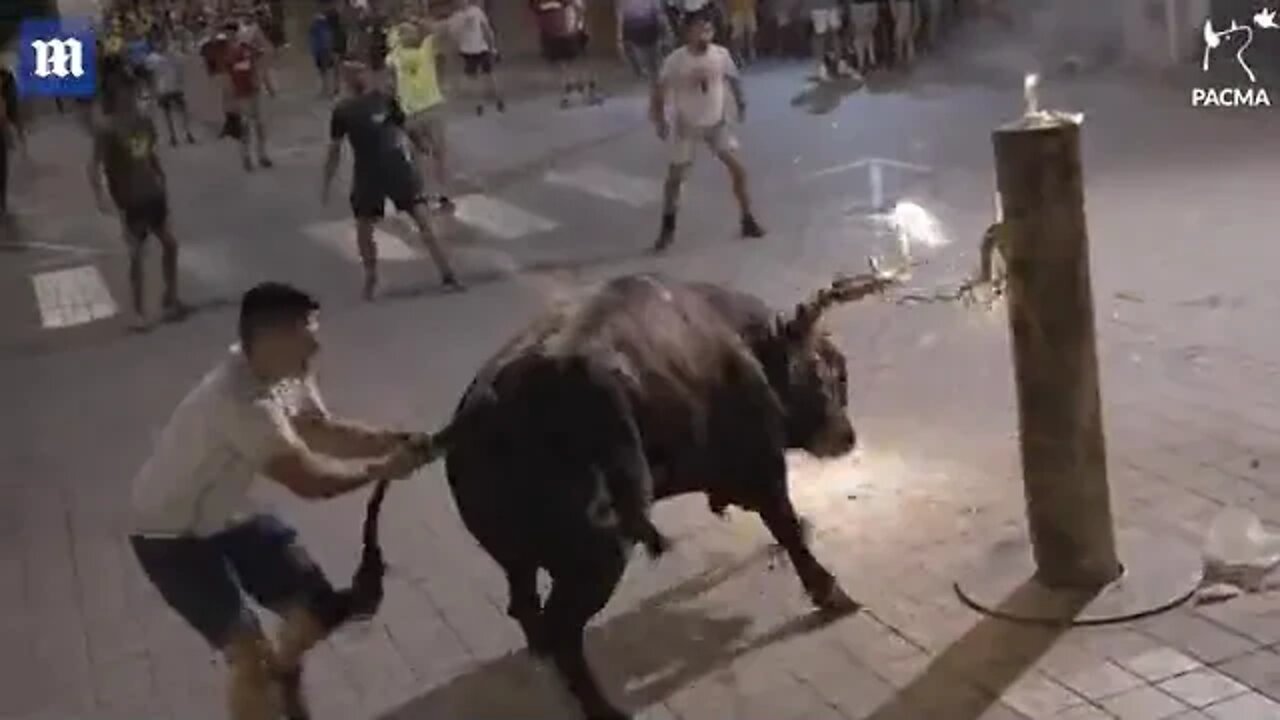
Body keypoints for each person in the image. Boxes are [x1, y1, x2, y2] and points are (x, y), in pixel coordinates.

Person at [128, 281, 435, 720]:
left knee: (316, 608)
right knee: (248, 654)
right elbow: (309, 481)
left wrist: (395, 442)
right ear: (272, 338)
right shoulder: (237, 401)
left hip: (230, 514)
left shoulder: (288, 373)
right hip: (170, 536)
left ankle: (283, 678)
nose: (318, 342)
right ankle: (264, 683)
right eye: (306, 331)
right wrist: (382, 470)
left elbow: (321, 433)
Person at [323, 61, 463, 300]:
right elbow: (334, 149)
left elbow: (405, 126)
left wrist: (422, 145)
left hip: (396, 168)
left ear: (367, 74)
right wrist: (327, 180)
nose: (357, 77)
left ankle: (447, 273)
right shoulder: (342, 111)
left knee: (422, 219)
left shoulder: (385, 99)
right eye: (351, 74)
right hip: (367, 174)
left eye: (360, 72)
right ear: (345, 80)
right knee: (364, 228)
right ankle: (371, 277)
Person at [650, 11, 763, 252]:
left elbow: (734, 79)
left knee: (739, 171)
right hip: (686, 126)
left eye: (708, 29)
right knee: (675, 179)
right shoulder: (676, 60)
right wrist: (659, 119)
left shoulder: (720, 55)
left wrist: (741, 103)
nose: (704, 34)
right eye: (699, 29)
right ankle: (667, 229)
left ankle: (747, 220)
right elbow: (659, 90)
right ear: (687, 32)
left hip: (715, 123)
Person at [87, 71, 188, 329]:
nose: (130, 96)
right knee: (136, 254)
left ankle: (171, 297)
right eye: (125, 92)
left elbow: (149, 152)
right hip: (129, 198)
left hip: (152, 193)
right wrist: (100, 196)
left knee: (170, 244)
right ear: (115, 96)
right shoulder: (108, 129)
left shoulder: (144, 121)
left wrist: (159, 175)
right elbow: (94, 164)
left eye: (132, 91)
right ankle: (139, 312)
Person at [385, 19, 455, 211]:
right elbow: (439, 29)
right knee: (439, 154)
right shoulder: (426, 49)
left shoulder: (396, 55)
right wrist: (419, 22)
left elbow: (391, 49)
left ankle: (422, 194)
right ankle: (443, 194)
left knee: (416, 157)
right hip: (431, 108)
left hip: (411, 113)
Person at [222, 22, 274, 171]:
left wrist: (267, 85)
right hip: (241, 94)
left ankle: (262, 155)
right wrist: (229, 98)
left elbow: (262, 57)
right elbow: (226, 77)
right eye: (227, 33)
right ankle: (246, 157)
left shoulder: (246, 48)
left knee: (259, 125)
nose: (229, 36)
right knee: (245, 127)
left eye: (232, 33)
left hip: (254, 91)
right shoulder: (227, 53)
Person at [531, 0, 602, 108]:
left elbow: (537, 11)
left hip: (551, 36)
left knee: (563, 66)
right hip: (568, 34)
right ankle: (586, 94)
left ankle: (566, 97)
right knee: (579, 64)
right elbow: (580, 7)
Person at [447, 0, 505, 115]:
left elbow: (486, 29)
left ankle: (498, 99)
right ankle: (479, 104)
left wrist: (492, 47)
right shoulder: (455, 18)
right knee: (474, 78)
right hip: (467, 51)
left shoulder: (476, 11)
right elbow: (454, 36)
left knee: (489, 75)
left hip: (481, 48)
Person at [144, 34, 198, 146]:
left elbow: (183, 69)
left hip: (173, 88)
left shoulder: (169, 56)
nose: (160, 45)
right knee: (169, 114)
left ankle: (185, 134)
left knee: (180, 112)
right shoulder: (153, 58)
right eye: (157, 43)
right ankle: (175, 136)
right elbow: (151, 76)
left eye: (162, 42)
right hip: (164, 89)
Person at [616, 0, 667, 81]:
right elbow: (620, 14)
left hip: (649, 28)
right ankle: (642, 72)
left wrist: (663, 33)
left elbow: (659, 15)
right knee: (632, 52)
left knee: (653, 59)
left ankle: (654, 74)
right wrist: (619, 37)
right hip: (633, 29)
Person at [309, 11, 338, 96]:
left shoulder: (317, 29)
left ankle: (326, 90)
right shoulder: (326, 29)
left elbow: (315, 42)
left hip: (321, 52)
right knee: (327, 72)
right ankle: (327, 90)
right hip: (323, 52)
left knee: (324, 72)